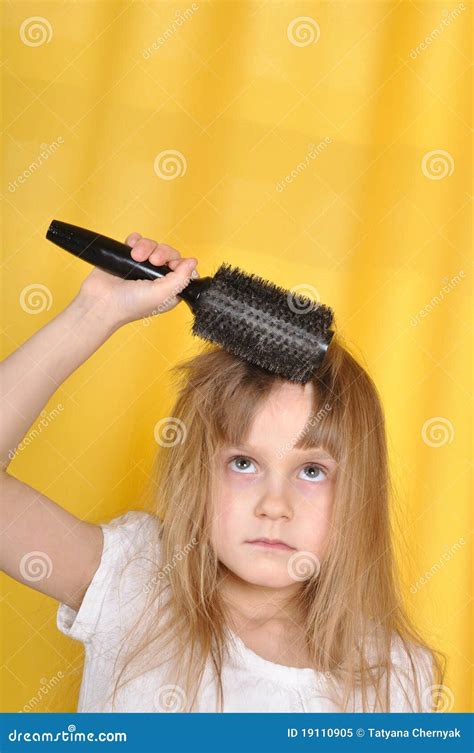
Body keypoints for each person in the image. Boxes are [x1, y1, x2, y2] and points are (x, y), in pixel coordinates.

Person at [0, 232, 445, 712]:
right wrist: (94, 313)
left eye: (312, 471)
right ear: (200, 475)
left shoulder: (399, 676)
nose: (275, 506)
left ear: (360, 490)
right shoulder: (136, 583)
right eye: (244, 464)